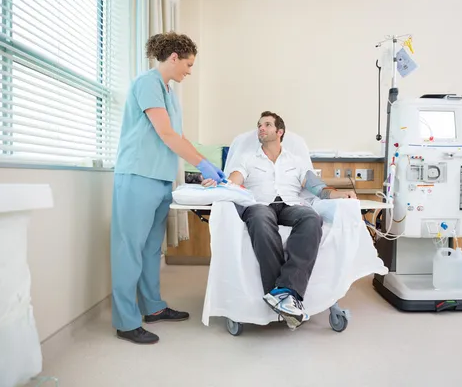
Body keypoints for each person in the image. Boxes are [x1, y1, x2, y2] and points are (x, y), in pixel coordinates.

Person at [111, 32, 226, 345]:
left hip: (161, 179)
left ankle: (154, 307)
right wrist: (202, 164)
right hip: (137, 176)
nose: (189, 70)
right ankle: (125, 321)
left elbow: (180, 136)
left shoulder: (170, 93)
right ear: (174, 57)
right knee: (129, 249)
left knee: (151, 249)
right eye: (188, 64)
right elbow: (165, 134)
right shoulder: (147, 83)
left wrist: (202, 165)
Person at [202, 111, 356, 329]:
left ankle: (283, 292)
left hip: (290, 205)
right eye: (259, 125)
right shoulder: (248, 159)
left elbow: (318, 188)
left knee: (312, 218)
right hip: (259, 205)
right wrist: (218, 183)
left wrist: (341, 194)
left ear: (280, 132)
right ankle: (284, 297)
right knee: (261, 219)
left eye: (267, 124)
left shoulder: (296, 161)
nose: (261, 128)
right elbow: (233, 181)